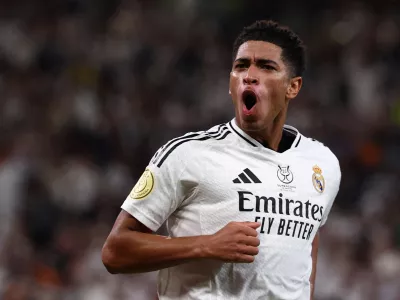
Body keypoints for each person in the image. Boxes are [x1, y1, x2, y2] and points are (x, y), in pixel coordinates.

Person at [102, 20, 341, 300]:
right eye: (241, 66)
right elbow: (115, 251)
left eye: (266, 66)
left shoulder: (322, 163)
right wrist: (206, 245)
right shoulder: (188, 154)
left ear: (293, 87)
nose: (249, 75)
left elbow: (308, 240)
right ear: (230, 83)